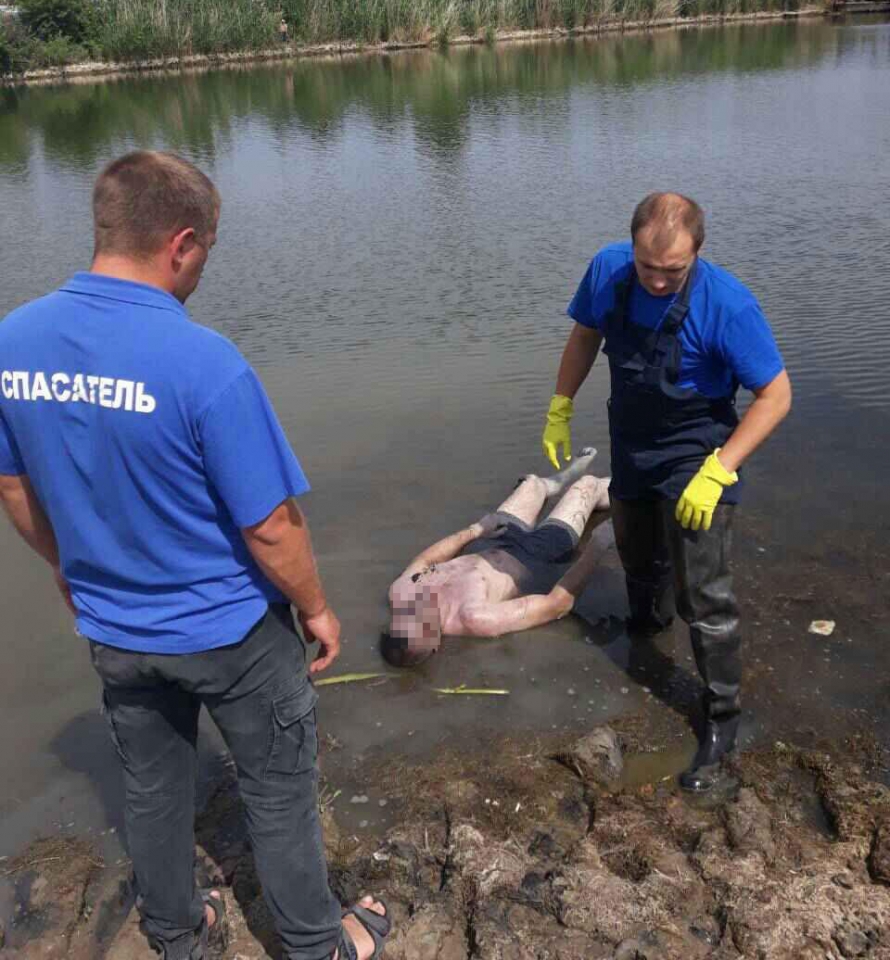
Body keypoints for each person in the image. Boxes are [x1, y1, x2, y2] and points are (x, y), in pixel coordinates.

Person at [0, 151, 390, 960]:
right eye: (207, 250)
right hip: (231, 636)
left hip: (116, 633)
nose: (204, 267)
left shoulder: (14, 342)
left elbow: (13, 492)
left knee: (150, 790)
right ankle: (319, 947)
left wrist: (71, 572)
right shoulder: (203, 362)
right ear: (181, 244)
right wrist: (317, 609)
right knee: (278, 792)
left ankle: (178, 938)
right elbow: (272, 526)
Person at [542, 192, 792, 792]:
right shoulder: (608, 271)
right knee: (637, 553)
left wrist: (719, 470)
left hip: (698, 451)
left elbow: (777, 396)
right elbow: (585, 336)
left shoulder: (728, 306)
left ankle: (723, 718)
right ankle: (645, 636)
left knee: (705, 594)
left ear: (697, 253)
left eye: (672, 271)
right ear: (632, 248)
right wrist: (560, 404)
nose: (656, 281)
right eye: (647, 267)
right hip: (632, 440)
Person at [384, 448, 611, 665]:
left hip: (491, 539)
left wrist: (475, 530)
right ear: (434, 644)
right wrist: (597, 546)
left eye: (407, 621)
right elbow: (555, 605)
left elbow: (424, 561)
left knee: (532, 484)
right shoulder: (474, 618)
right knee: (587, 485)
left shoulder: (402, 592)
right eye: (422, 628)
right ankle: (633, 493)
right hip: (537, 555)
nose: (417, 615)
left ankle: (556, 482)